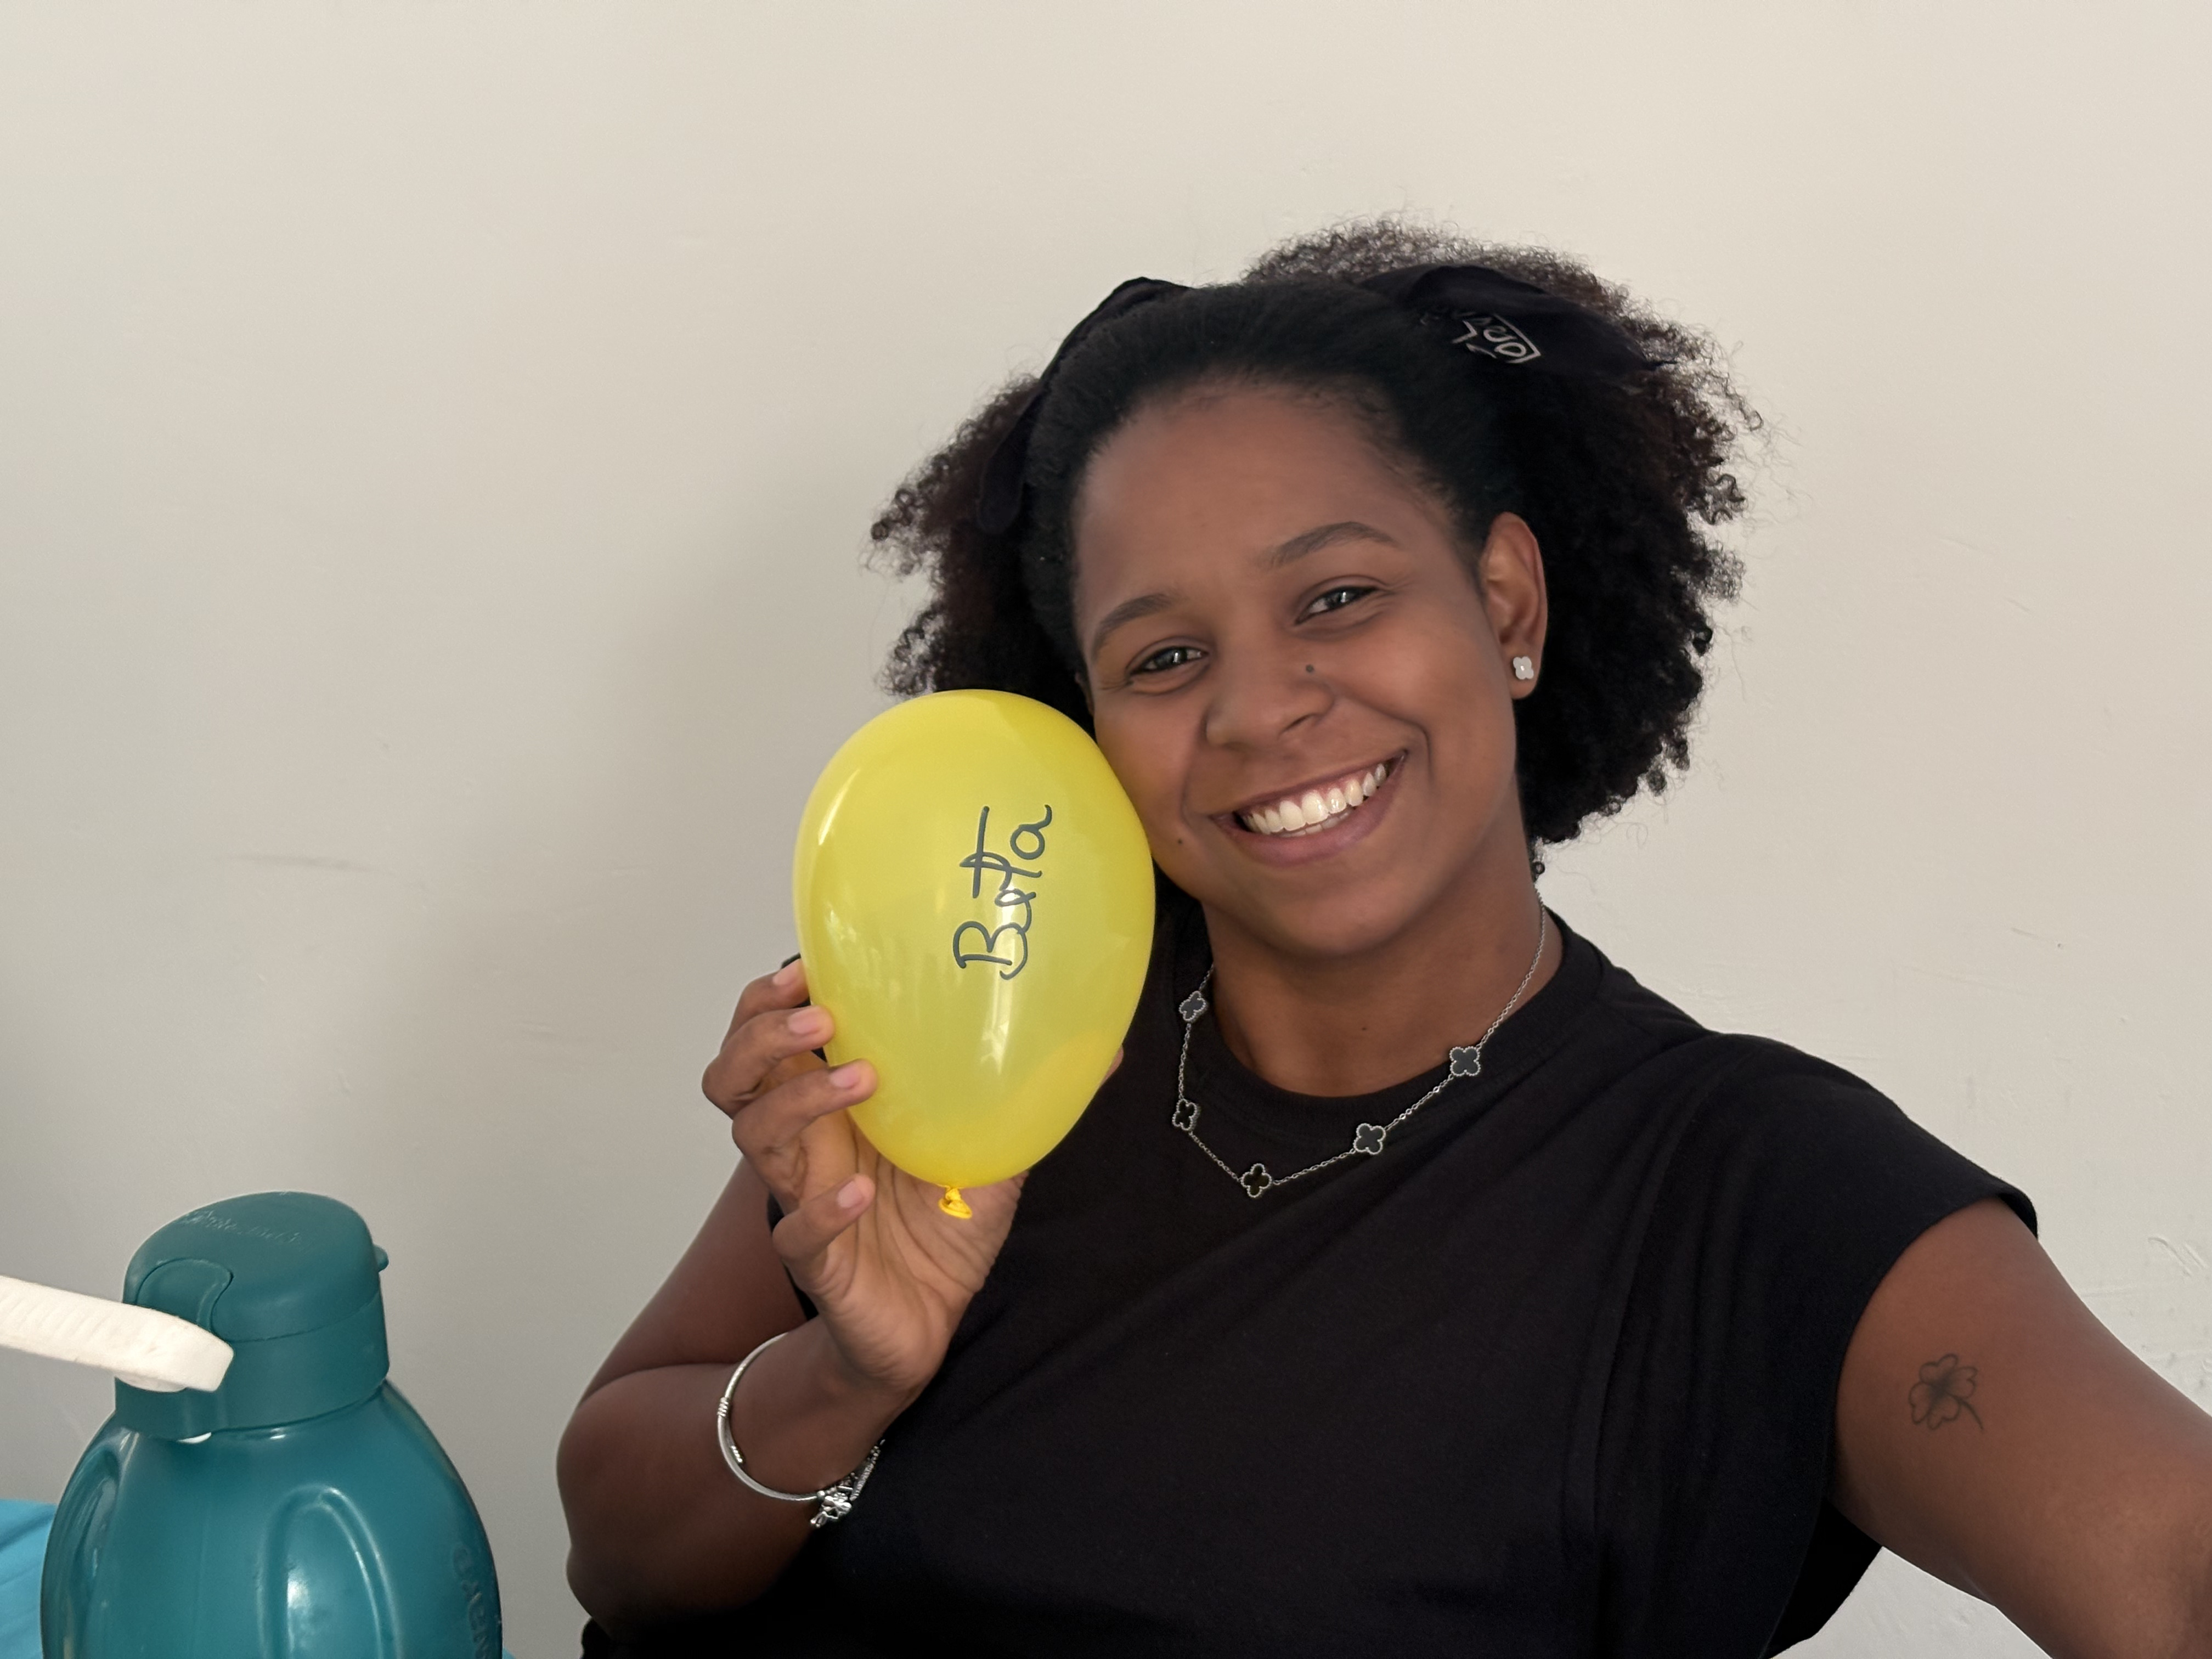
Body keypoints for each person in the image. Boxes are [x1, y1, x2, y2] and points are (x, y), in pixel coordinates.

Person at [556, 221, 2212, 1657]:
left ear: (1506, 604)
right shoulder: (994, 1011)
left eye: (1337, 597)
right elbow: (616, 1560)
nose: (1260, 708)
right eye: (1162, 658)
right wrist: (848, 1381)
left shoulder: (1748, 1191)